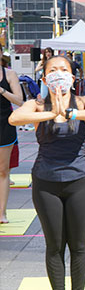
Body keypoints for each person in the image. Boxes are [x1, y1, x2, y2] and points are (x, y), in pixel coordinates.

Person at [8, 55, 85, 290]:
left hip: (79, 181)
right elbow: (15, 118)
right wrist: (52, 113)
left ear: (73, 77)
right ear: (44, 78)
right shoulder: (38, 105)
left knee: (78, 244)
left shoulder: (83, 101)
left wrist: (70, 112)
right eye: (53, 70)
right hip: (46, 182)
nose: (59, 74)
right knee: (54, 245)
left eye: (64, 70)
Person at [1, 63, 23, 223]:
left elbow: (20, 101)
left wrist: (2, 90)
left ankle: (2, 212)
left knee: (3, 171)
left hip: (4, 125)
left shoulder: (9, 74)